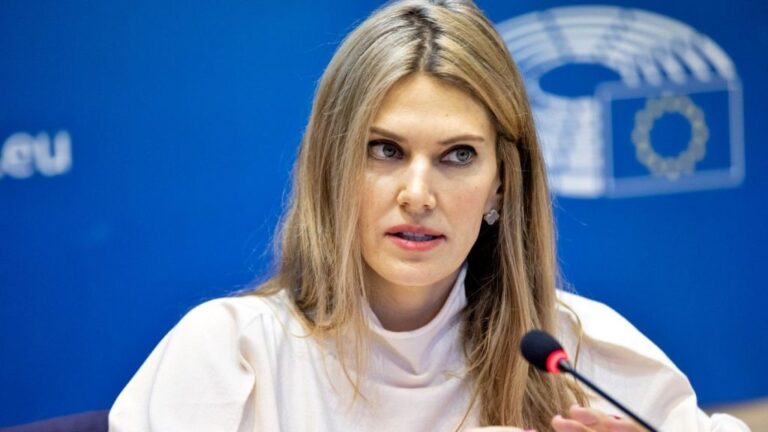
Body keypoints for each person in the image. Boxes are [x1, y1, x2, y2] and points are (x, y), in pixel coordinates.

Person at [108, 1, 750, 431]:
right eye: (385, 150)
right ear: (332, 168)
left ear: (500, 188)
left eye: (458, 155)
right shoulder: (232, 358)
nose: (418, 194)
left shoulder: (573, 352)